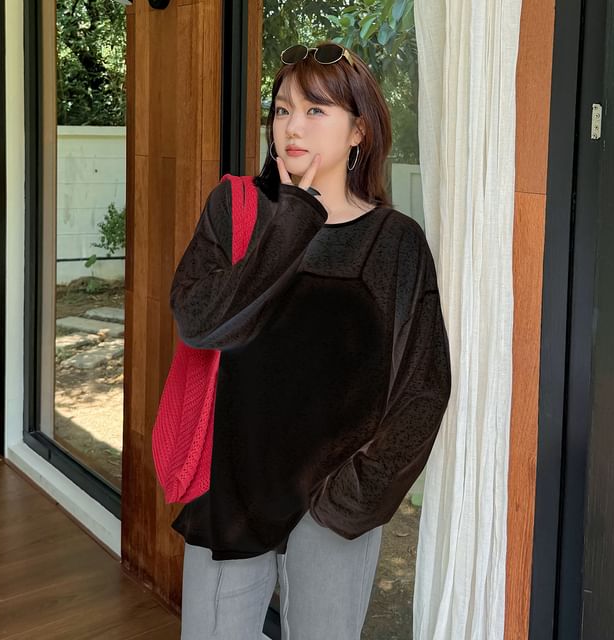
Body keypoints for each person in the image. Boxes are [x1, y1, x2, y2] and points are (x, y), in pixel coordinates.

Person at [170, 40, 452, 640]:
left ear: (359, 131)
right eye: (281, 110)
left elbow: (423, 387)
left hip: (332, 506)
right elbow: (199, 320)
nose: (292, 126)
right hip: (233, 488)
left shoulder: (395, 241)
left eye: (315, 110)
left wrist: (355, 495)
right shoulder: (236, 209)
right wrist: (294, 214)